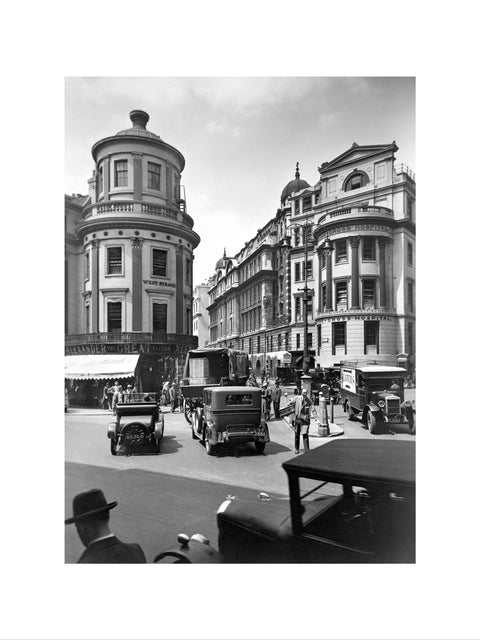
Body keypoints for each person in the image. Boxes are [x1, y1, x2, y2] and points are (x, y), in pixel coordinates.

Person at [65, 489, 146, 564]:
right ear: (107, 516)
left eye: (76, 527)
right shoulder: (136, 551)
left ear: (81, 526)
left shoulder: (85, 563)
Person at [293, 388, 313, 454]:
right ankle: (296, 449)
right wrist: (283, 409)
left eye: (306, 393)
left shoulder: (308, 401)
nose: (304, 394)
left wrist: (316, 418)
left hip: (304, 421)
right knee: (297, 435)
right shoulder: (297, 398)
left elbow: (312, 409)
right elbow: (290, 404)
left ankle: (307, 450)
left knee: (305, 436)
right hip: (297, 419)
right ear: (301, 393)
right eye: (303, 393)